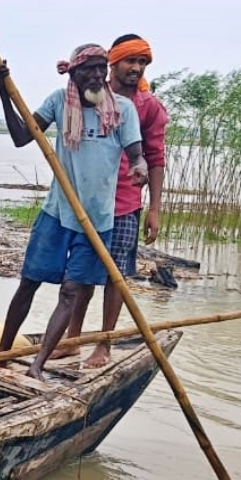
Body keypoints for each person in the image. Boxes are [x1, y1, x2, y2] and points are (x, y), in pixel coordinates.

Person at [0, 44, 148, 380]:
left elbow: (136, 153)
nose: (95, 75)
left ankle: (38, 363)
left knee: (71, 291)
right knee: (29, 282)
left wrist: (139, 166)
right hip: (56, 213)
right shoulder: (58, 103)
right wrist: (3, 91)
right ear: (72, 73)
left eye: (100, 68)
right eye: (88, 69)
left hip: (96, 221)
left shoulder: (122, 110)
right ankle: (2, 352)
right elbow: (22, 137)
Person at [54, 34, 170, 368]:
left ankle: (103, 344)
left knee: (116, 274)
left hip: (123, 203)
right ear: (113, 64)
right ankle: (73, 339)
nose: (136, 68)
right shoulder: (89, 94)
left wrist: (155, 209)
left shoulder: (148, 107)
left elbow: (156, 158)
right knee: (79, 274)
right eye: (130, 61)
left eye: (142, 63)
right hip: (84, 200)